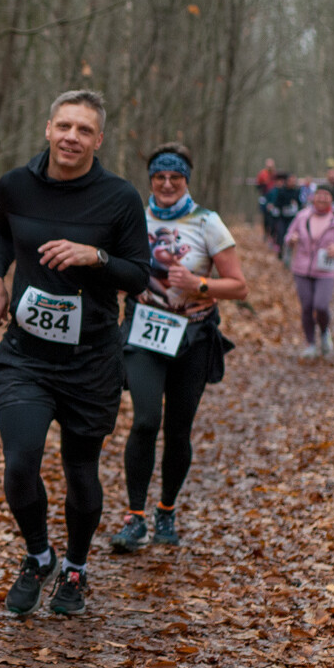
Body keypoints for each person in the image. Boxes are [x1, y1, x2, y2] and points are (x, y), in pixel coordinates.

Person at [0, 89, 149, 616]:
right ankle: (39, 555)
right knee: (20, 462)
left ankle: (75, 567)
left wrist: (96, 257)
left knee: (81, 470)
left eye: (84, 130)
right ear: (48, 129)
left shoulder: (120, 198)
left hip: (91, 359)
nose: (72, 137)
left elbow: (139, 276)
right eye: (65, 126)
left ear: (99, 140)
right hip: (26, 356)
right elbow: (1, 234)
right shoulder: (15, 185)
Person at [110, 144, 248, 552]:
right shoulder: (134, 218)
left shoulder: (207, 222)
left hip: (193, 338)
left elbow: (239, 286)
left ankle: (166, 510)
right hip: (144, 333)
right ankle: (135, 517)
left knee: (178, 429)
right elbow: (116, 269)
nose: (167, 184)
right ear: (151, 179)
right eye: (160, 177)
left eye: (175, 177)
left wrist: (198, 284)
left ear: (186, 180)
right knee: (145, 420)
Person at [284, 185, 334, 358]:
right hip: (301, 269)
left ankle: (324, 332)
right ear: (313, 197)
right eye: (319, 195)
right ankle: (310, 344)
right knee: (307, 307)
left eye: (326, 195)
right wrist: (292, 239)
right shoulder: (302, 215)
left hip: (325, 270)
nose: (322, 198)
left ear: (331, 199)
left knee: (321, 305)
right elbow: (288, 235)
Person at [270, 173, 303, 262]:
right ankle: (280, 252)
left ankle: (289, 253)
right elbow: (277, 204)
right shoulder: (281, 191)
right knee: (281, 234)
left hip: (293, 219)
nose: (292, 183)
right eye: (290, 181)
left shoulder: (297, 191)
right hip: (282, 218)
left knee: (291, 236)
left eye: (294, 181)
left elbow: (300, 204)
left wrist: (296, 205)